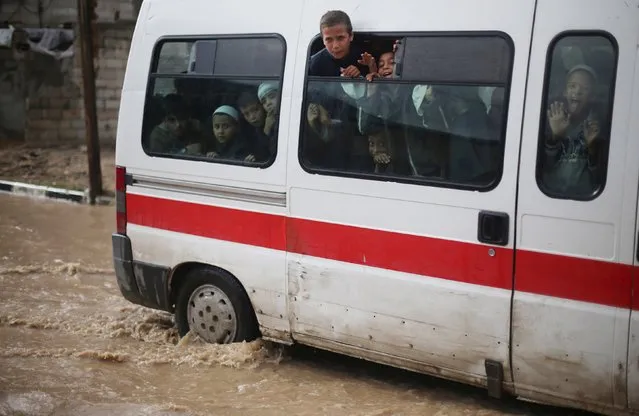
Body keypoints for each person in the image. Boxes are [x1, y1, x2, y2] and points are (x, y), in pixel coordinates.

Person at [541, 64, 605, 196]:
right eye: (572, 86)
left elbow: (599, 176)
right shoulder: (551, 119)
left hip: (585, 199)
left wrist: (592, 147)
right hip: (549, 196)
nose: (577, 92)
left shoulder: (597, 127)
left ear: (592, 96)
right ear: (565, 92)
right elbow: (543, 167)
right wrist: (555, 136)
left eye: (585, 89)